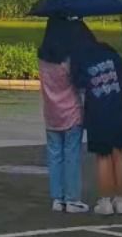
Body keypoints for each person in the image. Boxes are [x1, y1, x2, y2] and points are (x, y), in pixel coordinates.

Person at [67, 19, 122, 216]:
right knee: (118, 154)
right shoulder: (109, 51)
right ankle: (119, 201)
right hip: (119, 108)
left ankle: (105, 202)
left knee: (103, 156)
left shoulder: (79, 57)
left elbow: (77, 83)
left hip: (98, 111)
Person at [38, 18, 89, 213]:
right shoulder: (68, 59)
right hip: (71, 114)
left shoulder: (42, 59)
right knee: (72, 156)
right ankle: (72, 198)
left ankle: (57, 199)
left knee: (55, 157)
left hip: (51, 114)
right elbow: (80, 82)